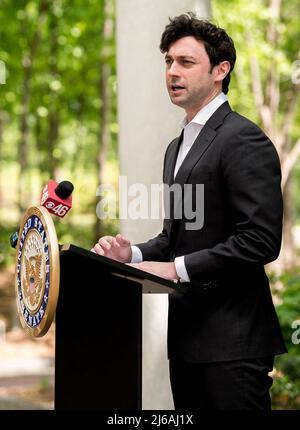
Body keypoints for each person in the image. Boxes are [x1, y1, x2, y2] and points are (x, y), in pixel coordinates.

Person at [92, 13, 286, 410]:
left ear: (221, 70)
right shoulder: (176, 148)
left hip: (234, 346)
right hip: (186, 343)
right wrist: (134, 256)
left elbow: (260, 241)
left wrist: (175, 269)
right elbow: (175, 237)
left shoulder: (243, 139)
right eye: (168, 61)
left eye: (185, 62)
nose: (172, 72)